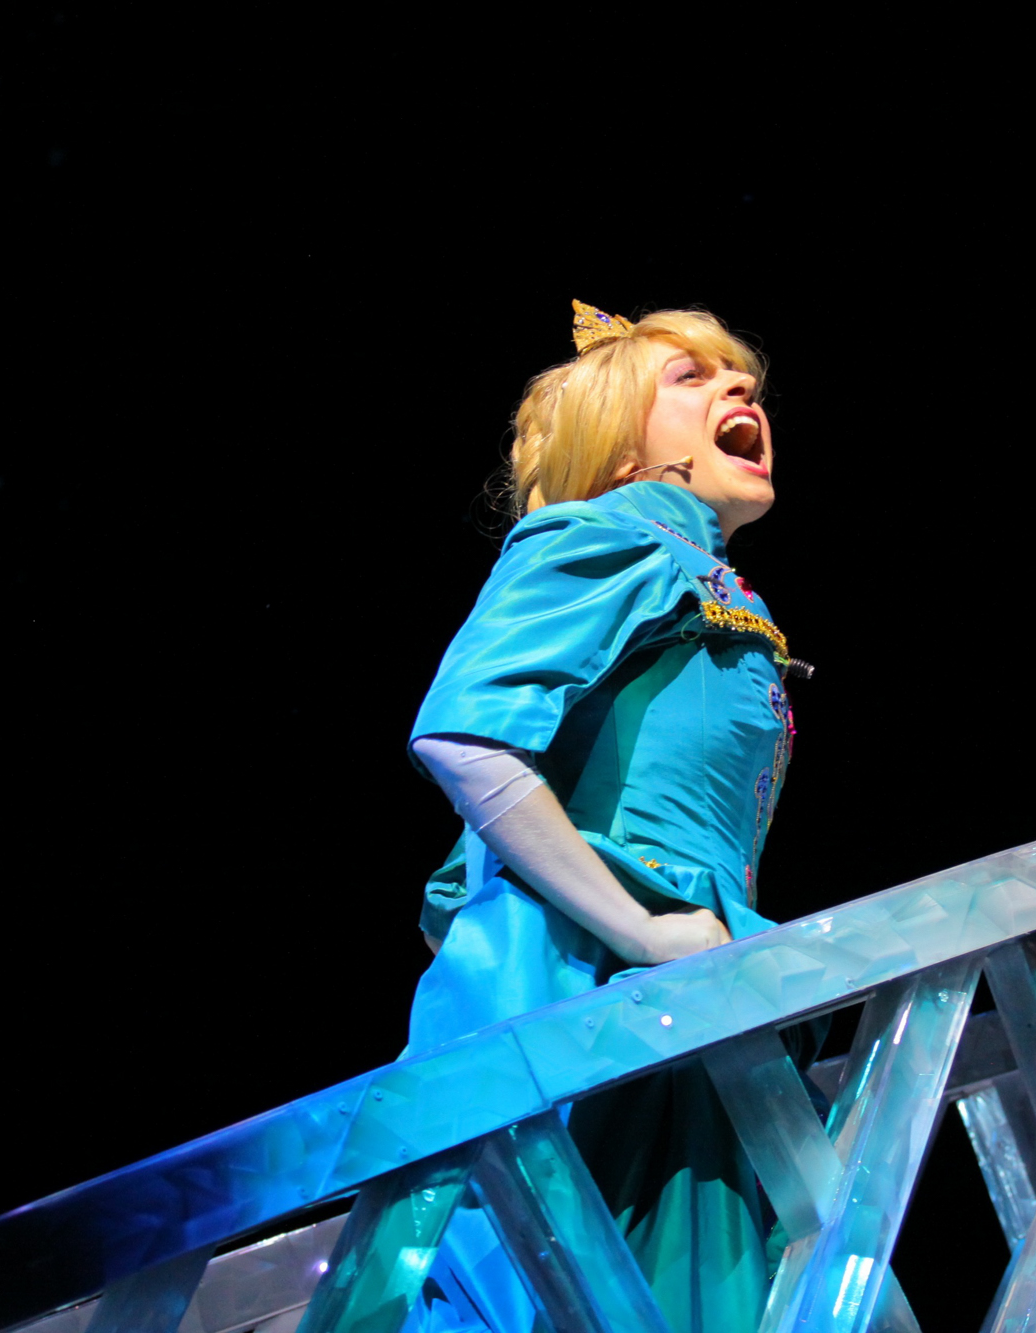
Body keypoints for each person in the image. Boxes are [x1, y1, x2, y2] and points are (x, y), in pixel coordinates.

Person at [402, 301, 805, 1331]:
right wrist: (641, 929)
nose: (740, 389)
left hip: (678, 994)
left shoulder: (696, 570)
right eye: (689, 377)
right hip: (578, 985)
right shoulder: (612, 532)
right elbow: (465, 735)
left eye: (741, 377)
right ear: (622, 448)